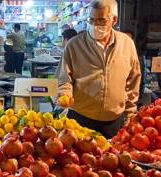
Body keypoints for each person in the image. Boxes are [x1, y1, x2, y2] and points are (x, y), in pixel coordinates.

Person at [56, 0, 141, 139]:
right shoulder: (74, 45)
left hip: (114, 120)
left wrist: (130, 112)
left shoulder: (127, 44)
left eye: (101, 20)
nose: (95, 25)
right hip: (80, 118)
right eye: (91, 20)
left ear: (114, 20)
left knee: (110, 158)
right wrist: (65, 94)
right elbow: (63, 78)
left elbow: (133, 80)